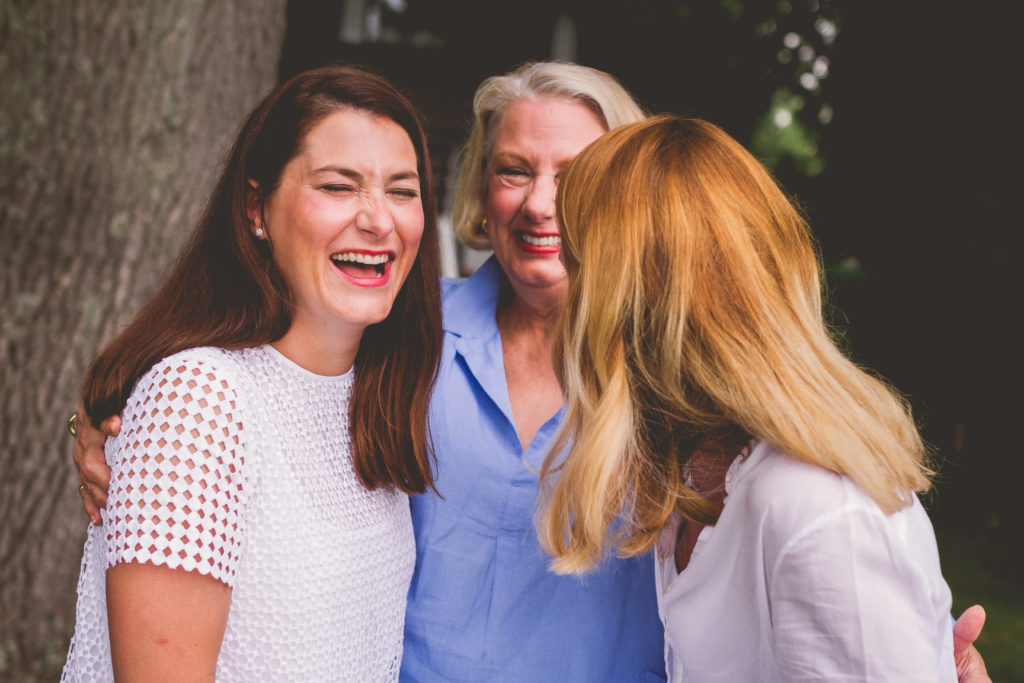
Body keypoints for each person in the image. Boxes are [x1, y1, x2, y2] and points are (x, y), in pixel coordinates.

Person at [71, 63, 990, 682]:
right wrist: (116, 428)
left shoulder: (674, 405)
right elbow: (263, 384)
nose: (545, 204)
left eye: (578, 179)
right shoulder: (402, 337)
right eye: (514, 170)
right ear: (480, 190)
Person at [538, 114, 981, 681]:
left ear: (628, 299)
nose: (565, 299)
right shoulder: (694, 472)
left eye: (576, 267)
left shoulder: (819, 511)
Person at [61, 64, 442, 681]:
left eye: (402, 190)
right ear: (255, 210)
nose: (379, 219)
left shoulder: (379, 392)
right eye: (339, 186)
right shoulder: (199, 400)